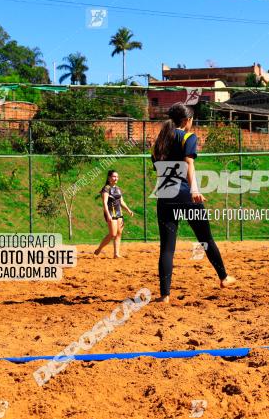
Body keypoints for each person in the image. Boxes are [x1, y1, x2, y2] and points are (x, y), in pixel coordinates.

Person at [152, 103, 235, 302]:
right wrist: (195, 189)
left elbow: (158, 168)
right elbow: (189, 164)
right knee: (206, 239)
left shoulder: (161, 139)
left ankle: (165, 295)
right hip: (185, 195)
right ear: (187, 120)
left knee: (167, 248)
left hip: (165, 195)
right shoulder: (189, 137)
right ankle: (223, 277)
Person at [94, 170, 134, 258]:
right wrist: (107, 215)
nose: (116, 178)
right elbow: (104, 203)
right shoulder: (106, 188)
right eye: (114, 176)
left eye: (117, 177)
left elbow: (121, 201)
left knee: (119, 233)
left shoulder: (118, 189)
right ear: (109, 178)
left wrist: (128, 210)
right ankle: (99, 249)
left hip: (119, 213)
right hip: (111, 212)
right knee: (112, 234)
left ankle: (116, 254)